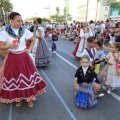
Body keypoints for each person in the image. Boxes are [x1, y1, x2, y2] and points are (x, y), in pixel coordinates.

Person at [0, 12, 47, 107]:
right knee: (15, 78)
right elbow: (1, 46)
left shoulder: (24, 31)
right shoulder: (4, 32)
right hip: (12, 58)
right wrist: (9, 45)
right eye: (18, 21)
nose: (20, 23)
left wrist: (29, 49)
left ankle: (29, 98)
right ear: (11, 20)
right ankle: (18, 98)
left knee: (26, 77)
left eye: (21, 21)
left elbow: (33, 39)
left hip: (23, 57)